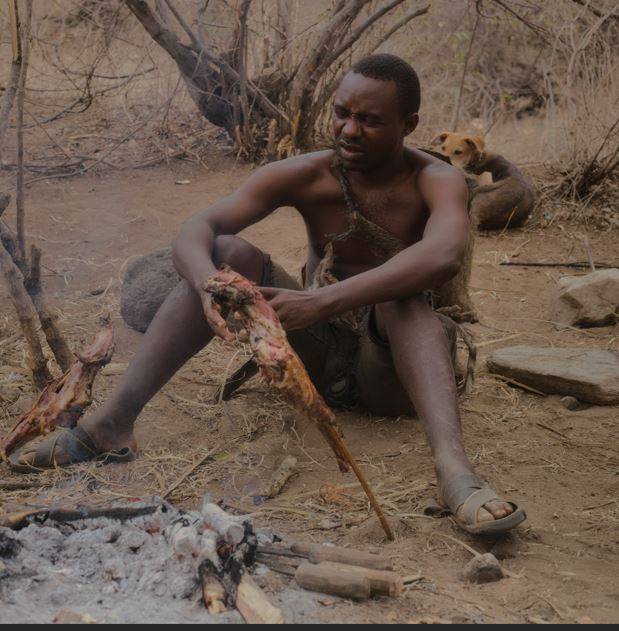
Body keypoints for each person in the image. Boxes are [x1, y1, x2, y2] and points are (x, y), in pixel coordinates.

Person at [10, 54, 525, 535]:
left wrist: (322, 300)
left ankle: (455, 471)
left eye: (369, 120)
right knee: (226, 256)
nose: (349, 129)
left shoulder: (436, 179)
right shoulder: (308, 173)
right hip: (315, 360)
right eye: (341, 113)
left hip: (394, 373)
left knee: (403, 295)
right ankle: (109, 427)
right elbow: (198, 227)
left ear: (408, 125)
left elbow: (442, 257)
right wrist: (209, 289)